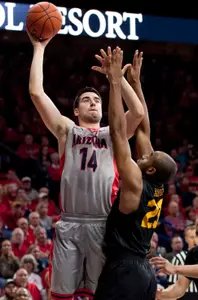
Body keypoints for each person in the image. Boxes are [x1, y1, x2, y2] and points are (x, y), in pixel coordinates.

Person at [27, 30, 144, 300]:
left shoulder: (113, 134)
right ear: (76, 111)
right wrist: (40, 48)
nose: (93, 102)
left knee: (100, 294)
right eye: (86, 100)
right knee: (61, 296)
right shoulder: (67, 131)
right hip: (70, 223)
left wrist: (116, 80)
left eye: (97, 100)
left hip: (103, 224)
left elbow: (137, 112)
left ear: (103, 110)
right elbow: (36, 92)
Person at [93, 48, 177, 300]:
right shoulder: (155, 182)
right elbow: (143, 131)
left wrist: (115, 83)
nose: (144, 154)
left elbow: (118, 132)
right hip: (143, 272)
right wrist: (136, 83)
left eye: (148, 157)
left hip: (126, 270)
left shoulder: (135, 180)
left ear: (150, 168)